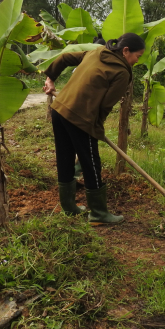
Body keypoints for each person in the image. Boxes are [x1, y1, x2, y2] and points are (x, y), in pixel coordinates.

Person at [43, 33, 145, 224]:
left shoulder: (97, 51)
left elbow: (65, 57)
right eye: (137, 56)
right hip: (81, 119)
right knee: (91, 164)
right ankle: (98, 213)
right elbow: (105, 106)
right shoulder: (122, 73)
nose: (136, 61)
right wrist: (96, 128)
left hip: (60, 109)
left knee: (64, 158)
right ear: (125, 51)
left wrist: (50, 78)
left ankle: (69, 208)